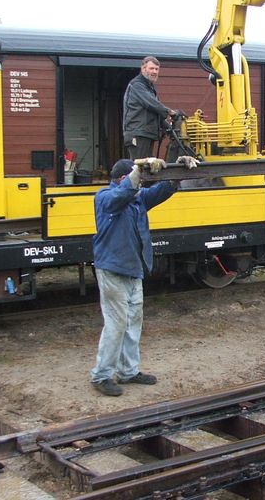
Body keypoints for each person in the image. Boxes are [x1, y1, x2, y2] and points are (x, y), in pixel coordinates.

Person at [90, 154, 197, 396]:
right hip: (112, 269)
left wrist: (176, 172)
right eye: (138, 179)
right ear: (122, 178)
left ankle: (128, 371)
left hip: (134, 268)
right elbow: (120, 195)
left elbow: (161, 190)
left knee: (132, 323)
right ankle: (101, 375)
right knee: (116, 325)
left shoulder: (138, 199)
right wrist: (137, 175)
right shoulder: (105, 197)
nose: (141, 185)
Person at [123, 56, 177, 160]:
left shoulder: (150, 88)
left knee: (147, 168)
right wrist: (170, 112)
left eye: (157, 69)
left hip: (146, 133)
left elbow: (154, 111)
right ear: (143, 69)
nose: (154, 71)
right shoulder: (137, 85)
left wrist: (168, 127)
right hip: (138, 133)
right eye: (151, 68)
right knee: (139, 168)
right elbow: (152, 104)